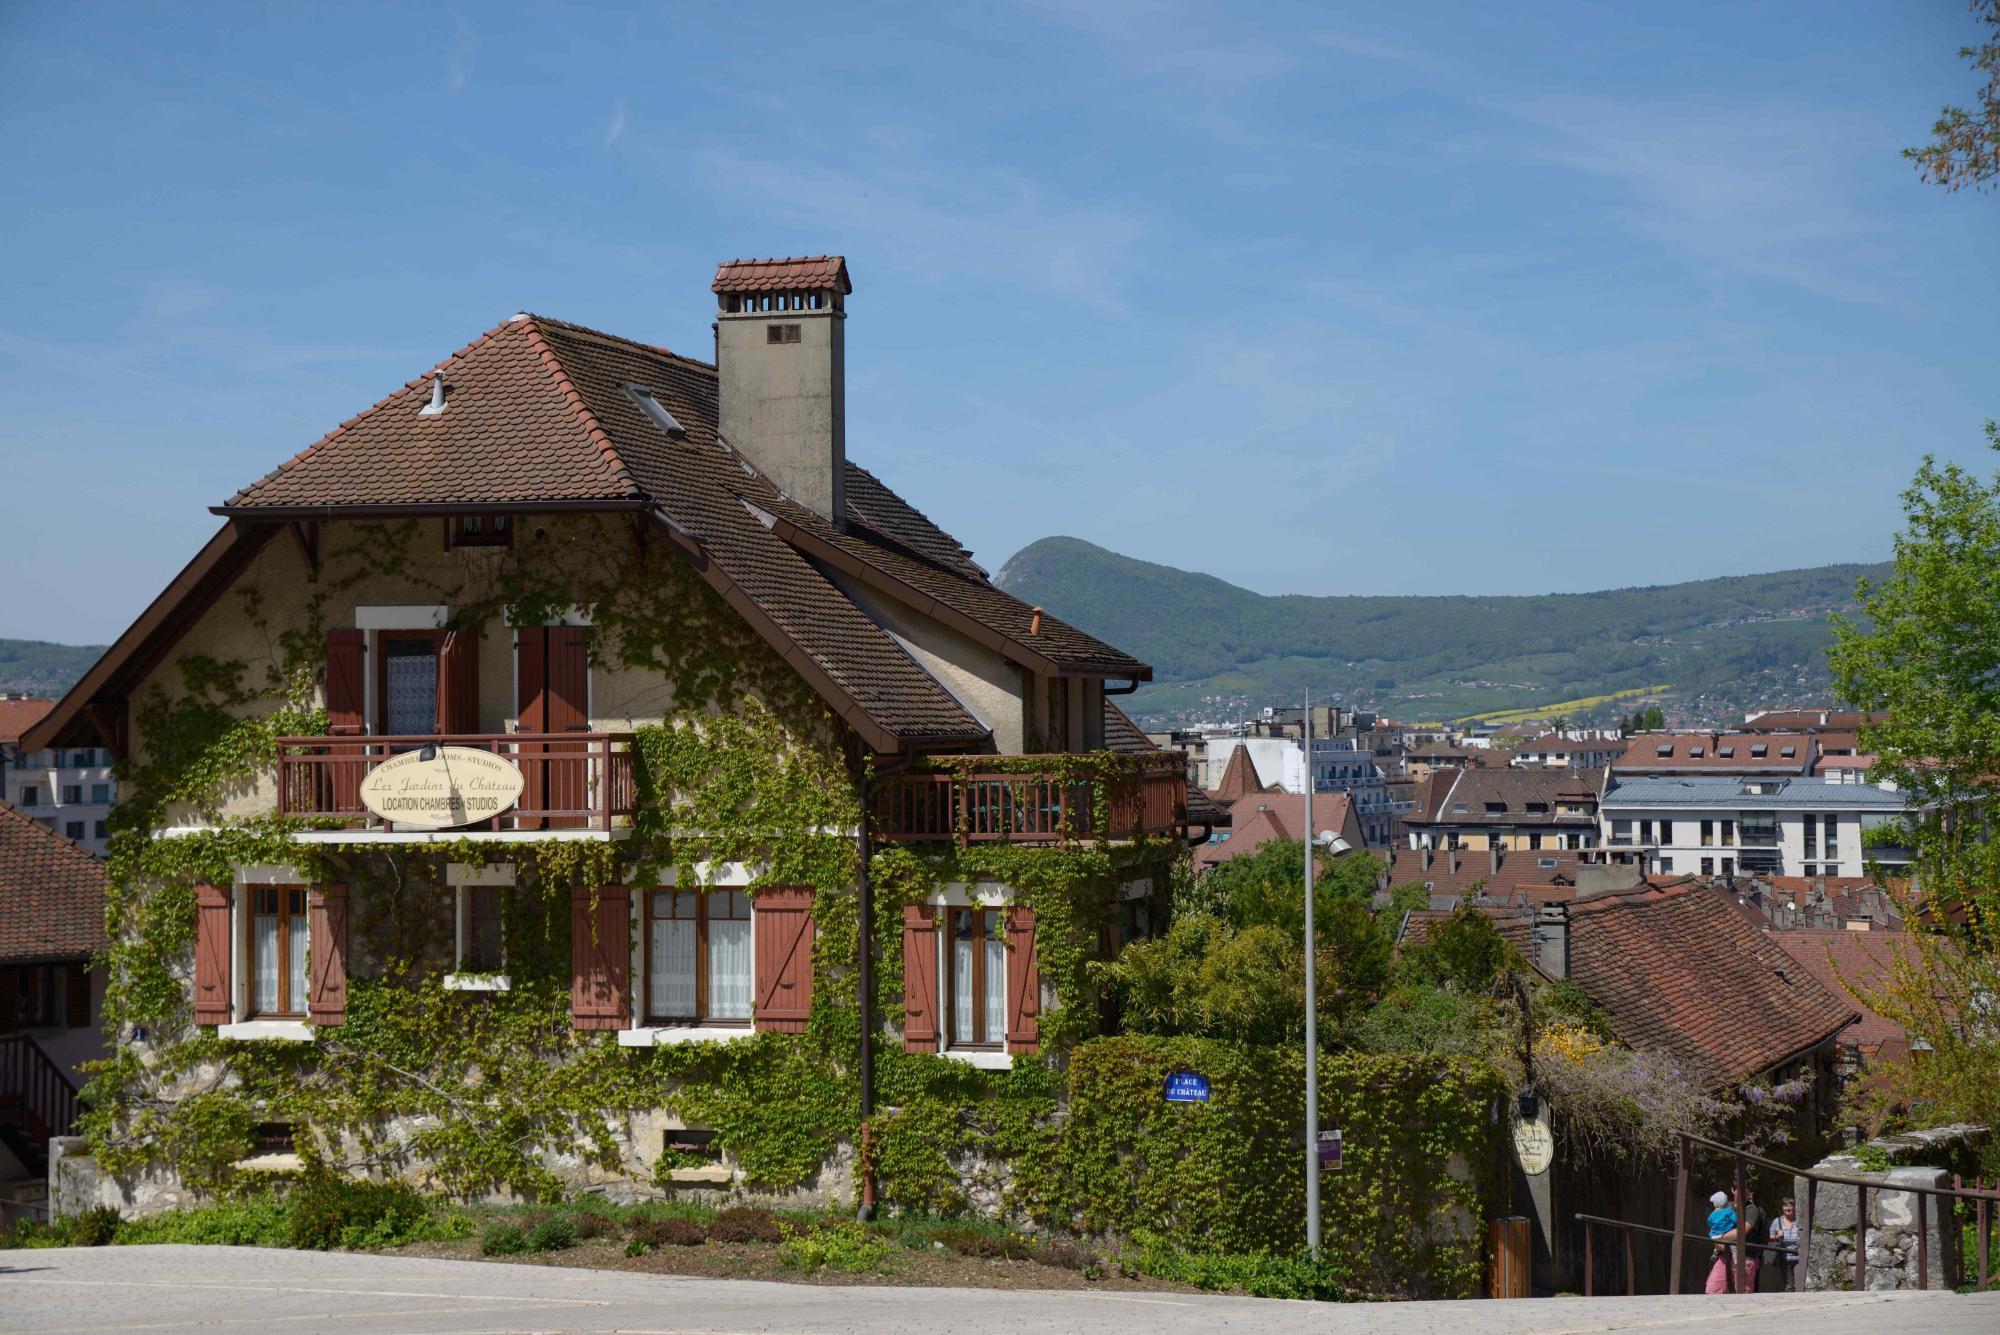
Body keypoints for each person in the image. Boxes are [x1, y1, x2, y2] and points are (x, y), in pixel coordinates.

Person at [1705, 1185, 1763, 1293]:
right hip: (1724, 1256)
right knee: (1712, 1289)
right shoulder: (1727, 1207)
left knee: (1742, 1293)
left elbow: (1742, 1231)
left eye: (1746, 1191)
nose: (1743, 1193)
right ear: (1732, 1190)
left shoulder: (1751, 1209)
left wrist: (1719, 1238)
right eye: (1739, 1190)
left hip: (1745, 1256)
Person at [1704, 1190, 1738, 1295]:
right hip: (1726, 1235)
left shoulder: (1713, 1214)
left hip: (1714, 1235)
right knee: (1733, 1246)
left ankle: (1715, 1251)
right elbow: (1736, 1220)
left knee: (1717, 1246)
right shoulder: (1729, 1211)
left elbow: (1709, 1221)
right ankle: (1737, 1260)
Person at [1769, 1197, 1800, 1286]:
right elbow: (1770, 1237)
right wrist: (1777, 1235)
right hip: (1785, 1259)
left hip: (1799, 1259)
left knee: (1801, 1285)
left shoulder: (1799, 1221)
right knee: (1789, 1285)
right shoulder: (1777, 1221)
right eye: (1785, 1206)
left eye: (1790, 1206)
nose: (1787, 1208)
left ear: (1794, 1207)